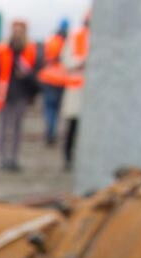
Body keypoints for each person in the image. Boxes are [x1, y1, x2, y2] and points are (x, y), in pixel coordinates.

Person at [0, 19, 39, 171]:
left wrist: (28, 80)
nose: (17, 33)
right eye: (16, 30)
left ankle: (14, 159)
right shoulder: (2, 49)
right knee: (4, 127)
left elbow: (36, 72)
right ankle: (2, 159)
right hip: (5, 94)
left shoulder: (30, 50)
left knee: (17, 128)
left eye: (20, 30)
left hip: (22, 94)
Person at [61, 13, 90, 170]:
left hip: (91, 94)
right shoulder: (76, 37)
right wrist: (80, 62)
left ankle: (83, 157)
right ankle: (68, 157)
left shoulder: (102, 38)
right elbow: (66, 60)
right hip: (76, 88)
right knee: (72, 125)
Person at [38, 19, 69, 145]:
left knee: (49, 108)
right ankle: (53, 132)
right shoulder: (68, 41)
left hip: (49, 78)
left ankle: (49, 133)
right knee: (57, 109)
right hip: (62, 80)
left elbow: (42, 58)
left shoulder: (51, 41)